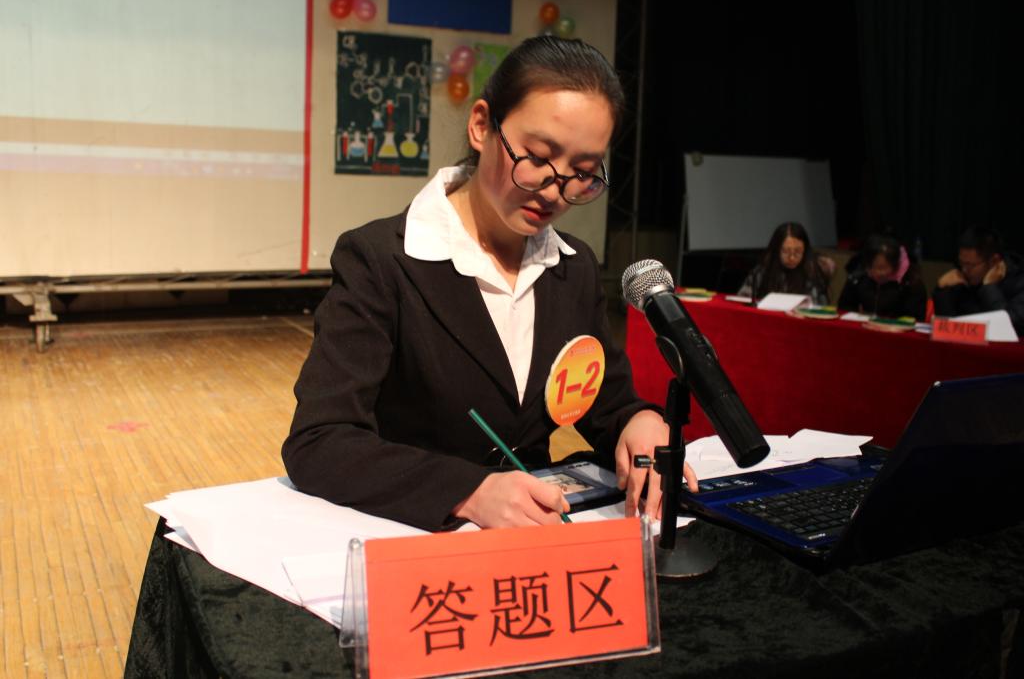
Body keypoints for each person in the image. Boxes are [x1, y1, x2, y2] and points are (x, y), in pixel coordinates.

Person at [281, 37, 695, 532]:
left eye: (583, 173)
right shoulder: (381, 260)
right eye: (537, 157)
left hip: (538, 541)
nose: (555, 191)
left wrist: (637, 422)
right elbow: (320, 440)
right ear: (481, 125)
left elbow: (602, 398)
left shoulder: (572, 267)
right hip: (416, 537)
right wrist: (469, 491)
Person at [932, 226, 1024, 335]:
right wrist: (943, 290)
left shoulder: (1019, 280)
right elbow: (947, 328)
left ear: (994, 261)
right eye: (961, 263)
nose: (964, 270)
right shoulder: (961, 278)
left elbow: (1010, 326)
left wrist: (989, 287)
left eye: (970, 265)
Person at [737, 222, 834, 305]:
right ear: (776, 250)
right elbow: (743, 300)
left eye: (798, 252)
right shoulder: (763, 270)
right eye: (786, 251)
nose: (792, 258)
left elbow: (821, 308)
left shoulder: (813, 271)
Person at [837, 234, 926, 320]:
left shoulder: (911, 284)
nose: (874, 272)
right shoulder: (857, 278)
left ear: (895, 265)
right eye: (870, 267)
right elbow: (844, 308)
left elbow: (915, 319)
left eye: (881, 268)